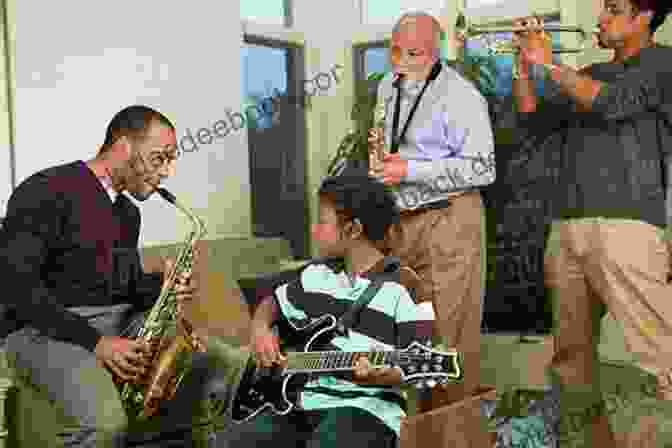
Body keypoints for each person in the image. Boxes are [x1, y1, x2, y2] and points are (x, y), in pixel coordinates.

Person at [0, 105, 243, 447]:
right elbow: (17, 289)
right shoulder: (45, 190)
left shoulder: (127, 213)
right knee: (105, 425)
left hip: (109, 322)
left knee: (220, 359)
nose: (168, 171)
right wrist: (97, 344)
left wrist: (163, 288)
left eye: (170, 160)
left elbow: (112, 287)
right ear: (124, 147)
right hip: (39, 330)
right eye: (159, 158)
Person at [512, 0, 672, 445]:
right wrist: (524, 66)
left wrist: (551, 65)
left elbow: (613, 103)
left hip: (629, 225)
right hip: (567, 230)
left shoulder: (663, 63)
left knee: (660, 352)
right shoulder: (591, 73)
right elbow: (532, 118)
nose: (601, 17)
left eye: (613, 8)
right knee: (571, 362)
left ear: (644, 16)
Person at [226, 174, 436, 448]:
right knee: (231, 442)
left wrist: (381, 375)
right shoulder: (316, 276)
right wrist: (260, 329)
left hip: (367, 409)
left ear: (353, 230)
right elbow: (271, 305)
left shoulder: (407, 287)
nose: (314, 230)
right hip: (302, 403)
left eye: (322, 222)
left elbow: (419, 365)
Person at [369, 10, 496, 411]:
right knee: (406, 334)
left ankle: (452, 433)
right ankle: (413, 430)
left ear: (436, 51)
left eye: (419, 54)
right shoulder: (388, 86)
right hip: (401, 221)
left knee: (446, 342)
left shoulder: (461, 95)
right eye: (401, 52)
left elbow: (483, 167)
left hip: (450, 218)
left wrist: (410, 169)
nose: (407, 63)